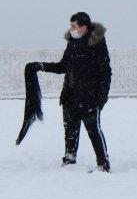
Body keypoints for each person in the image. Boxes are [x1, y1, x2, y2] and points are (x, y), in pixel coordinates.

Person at [38, 12, 112, 172]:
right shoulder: (72, 44)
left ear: (83, 28)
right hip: (70, 95)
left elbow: (105, 72)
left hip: (90, 97)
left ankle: (103, 163)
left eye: (73, 26)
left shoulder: (97, 43)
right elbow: (63, 66)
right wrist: (41, 66)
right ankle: (69, 159)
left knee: (94, 131)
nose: (71, 29)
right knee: (70, 129)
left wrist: (102, 98)